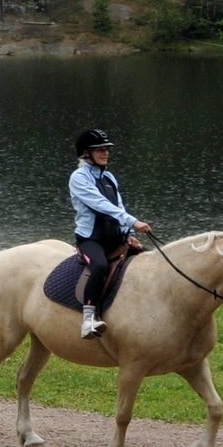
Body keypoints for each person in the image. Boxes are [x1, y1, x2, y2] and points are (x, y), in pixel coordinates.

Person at [70, 129, 152, 338]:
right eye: (99, 150)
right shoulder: (78, 178)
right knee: (99, 266)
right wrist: (133, 221)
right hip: (91, 240)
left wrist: (128, 232)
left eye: (106, 149)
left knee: (151, 261)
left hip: (115, 239)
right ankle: (88, 320)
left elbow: (118, 206)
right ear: (86, 153)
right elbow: (101, 205)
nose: (105, 153)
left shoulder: (109, 177)